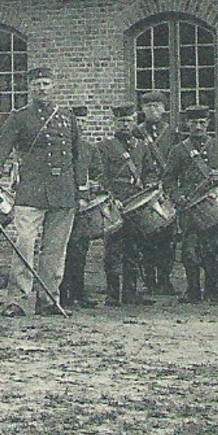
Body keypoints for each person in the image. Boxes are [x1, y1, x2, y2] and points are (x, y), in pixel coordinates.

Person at [0, 65, 87, 316]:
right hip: (31, 191)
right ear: (29, 88)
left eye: (46, 83)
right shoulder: (19, 117)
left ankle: (49, 298)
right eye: (36, 84)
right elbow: (1, 150)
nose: (41, 88)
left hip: (63, 192)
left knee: (55, 248)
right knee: (24, 244)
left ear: (54, 87)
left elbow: (79, 154)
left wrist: (81, 189)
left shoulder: (67, 117)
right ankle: (17, 300)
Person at [164, 106, 218, 304]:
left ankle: (212, 291)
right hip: (190, 207)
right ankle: (192, 291)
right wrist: (179, 197)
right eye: (194, 123)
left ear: (208, 124)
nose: (198, 127)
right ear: (187, 124)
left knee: (213, 249)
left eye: (202, 123)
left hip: (214, 206)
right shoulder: (178, 150)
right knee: (190, 250)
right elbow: (168, 180)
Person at [92, 104, 152, 307]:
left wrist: (149, 187)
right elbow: (100, 175)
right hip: (114, 203)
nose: (125, 124)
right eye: (121, 121)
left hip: (136, 202)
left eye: (128, 120)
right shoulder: (105, 147)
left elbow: (149, 171)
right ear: (114, 123)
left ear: (134, 121)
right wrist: (110, 196)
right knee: (113, 249)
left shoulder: (141, 146)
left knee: (134, 248)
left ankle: (130, 292)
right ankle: (112, 294)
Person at [134, 90, 178, 295]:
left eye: (157, 106)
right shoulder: (136, 133)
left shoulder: (173, 134)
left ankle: (165, 278)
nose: (153, 110)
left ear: (164, 109)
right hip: (145, 190)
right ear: (142, 110)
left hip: (167, 188)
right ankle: (148, 278)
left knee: (167, 236)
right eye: (148, 106)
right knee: (145, 236)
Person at [59, 106, 99, 309]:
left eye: (83, 122)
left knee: (80, 249)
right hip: (63, 204)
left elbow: (98, 173)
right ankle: (62, 293)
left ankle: (78, 291)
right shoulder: (61, 148)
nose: (80, 126)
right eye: (77, 122)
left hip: (83, 207)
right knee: (62, 248)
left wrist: (95, 187)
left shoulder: (89, 149)